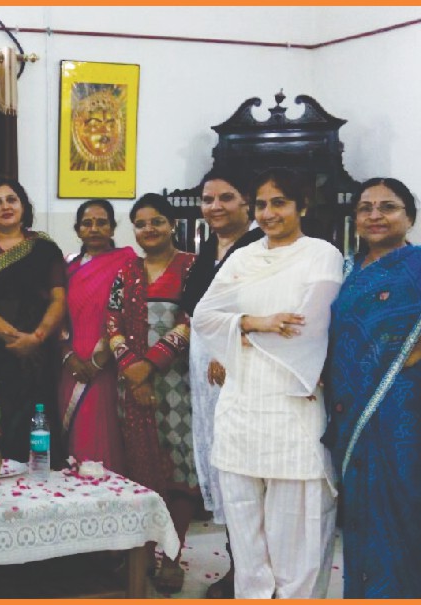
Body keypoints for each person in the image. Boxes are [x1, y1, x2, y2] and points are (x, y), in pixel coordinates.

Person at [193, 167, 343, 599]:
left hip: (293, 400)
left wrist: (238, 336)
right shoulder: (243, 257)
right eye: (261, 204)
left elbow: (308, 329)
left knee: (299, 531)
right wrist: (256, 323)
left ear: (302, 207)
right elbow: (204, 316)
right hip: (242, 406)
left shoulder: (321, 254)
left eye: (280, 203)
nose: (269, 213)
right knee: (246, 533)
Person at [324, 178, 421, 598]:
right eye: (365, 208)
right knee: (362, 521)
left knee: (415, 517)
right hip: (352, 419)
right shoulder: (344, 272)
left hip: (412, 420)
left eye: (388, 207)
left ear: (409, 217)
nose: (375, 216)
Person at [104, 193, 196, 593]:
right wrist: (132, 369)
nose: (149, 229)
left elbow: (192, 320)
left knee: (179, 470)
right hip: (133, 386)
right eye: (141, 224)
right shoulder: (127, 271)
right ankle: (142, 554)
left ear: (172, 224)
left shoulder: (192, 267)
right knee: (141, 471)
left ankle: (172, 557)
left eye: (157, 221)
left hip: (179, 386)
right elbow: (112, 322)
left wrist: (152, 364)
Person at [178, 169, 262, 599]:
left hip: (242, 369)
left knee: (244, 468)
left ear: (247, 201)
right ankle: (238, 565)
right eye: (208, 199)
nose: (215, 207)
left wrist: (229, 352)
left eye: (225, 198)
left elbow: (262, 309)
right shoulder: (207, 251)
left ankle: (254, 572)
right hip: (205, 372)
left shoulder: (260, 248)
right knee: (220, 465)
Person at [0, 176, 67, 463]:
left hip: (38, 357)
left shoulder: (44, 247)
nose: (5, 206)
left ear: (23, 206)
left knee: (40, 429)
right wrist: (15, 338)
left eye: (11, 200)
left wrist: (37, 338)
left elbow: (58, 298)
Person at [58, 199, 136, 474]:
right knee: (73, 434)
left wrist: (98, 361)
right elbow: (57, 315)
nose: (94, 229)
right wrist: (67, 356)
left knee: (103, 429)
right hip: (70, 365)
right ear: (77, 230)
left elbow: (128, 315)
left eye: (102, 223)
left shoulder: (127, 263)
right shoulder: (67, 268)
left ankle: (107, 491)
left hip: (109, 363)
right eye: (87, 223)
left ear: (113, 228)